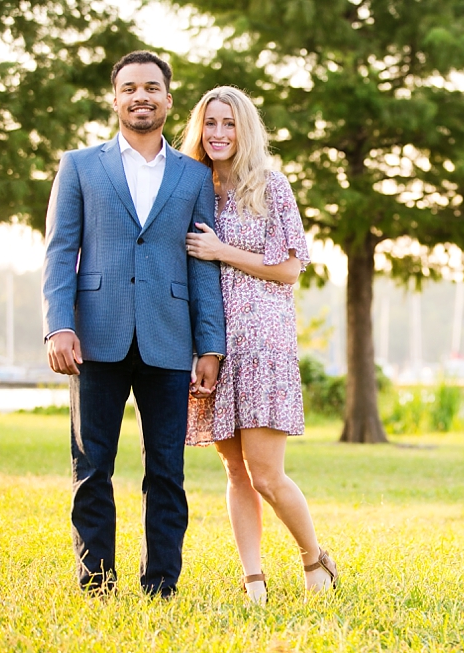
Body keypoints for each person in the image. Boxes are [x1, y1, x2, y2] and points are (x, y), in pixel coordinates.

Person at [41, 51, 226, 598]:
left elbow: (202, 263)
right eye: (129, 88)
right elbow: (59, 252)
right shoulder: (79, 165)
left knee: (166, 471)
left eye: (152, 88)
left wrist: (210, 345)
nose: (140, 96)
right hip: (94, 336)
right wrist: (57, 326)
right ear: (115, 98)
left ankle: (161, 585)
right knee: (92, 467)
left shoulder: (194, 177)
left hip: (170, 339)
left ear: (169, 100)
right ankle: (96, 582)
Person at [182, 86, 337, 605]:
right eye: (210, 123)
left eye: (229, 123)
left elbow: (290, 269)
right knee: (233, 469)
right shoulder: (191, 186)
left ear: (245, 129)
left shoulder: (271, 187)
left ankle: (314, 558)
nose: (219, 133)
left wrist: (221, 250)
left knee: (266, 474)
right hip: (212, 342)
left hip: (263, 341)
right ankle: (253, 579)